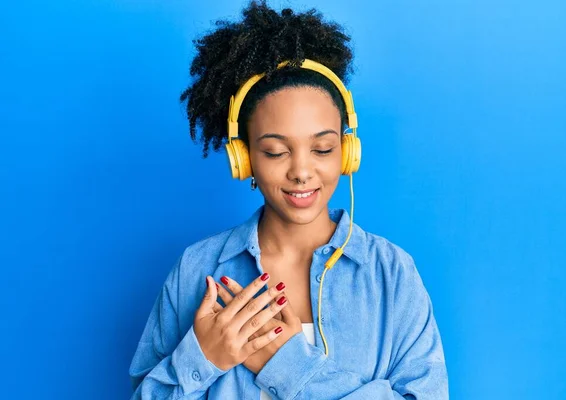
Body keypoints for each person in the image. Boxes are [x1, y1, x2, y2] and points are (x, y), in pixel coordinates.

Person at [128, 1, 449, 399]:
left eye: (323, 149)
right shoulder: (197, 270)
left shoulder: (391, 275)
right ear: (243, 159)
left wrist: (289, 366)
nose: (301, 171)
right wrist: (203, 357)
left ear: (348, 152)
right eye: (277, 152)